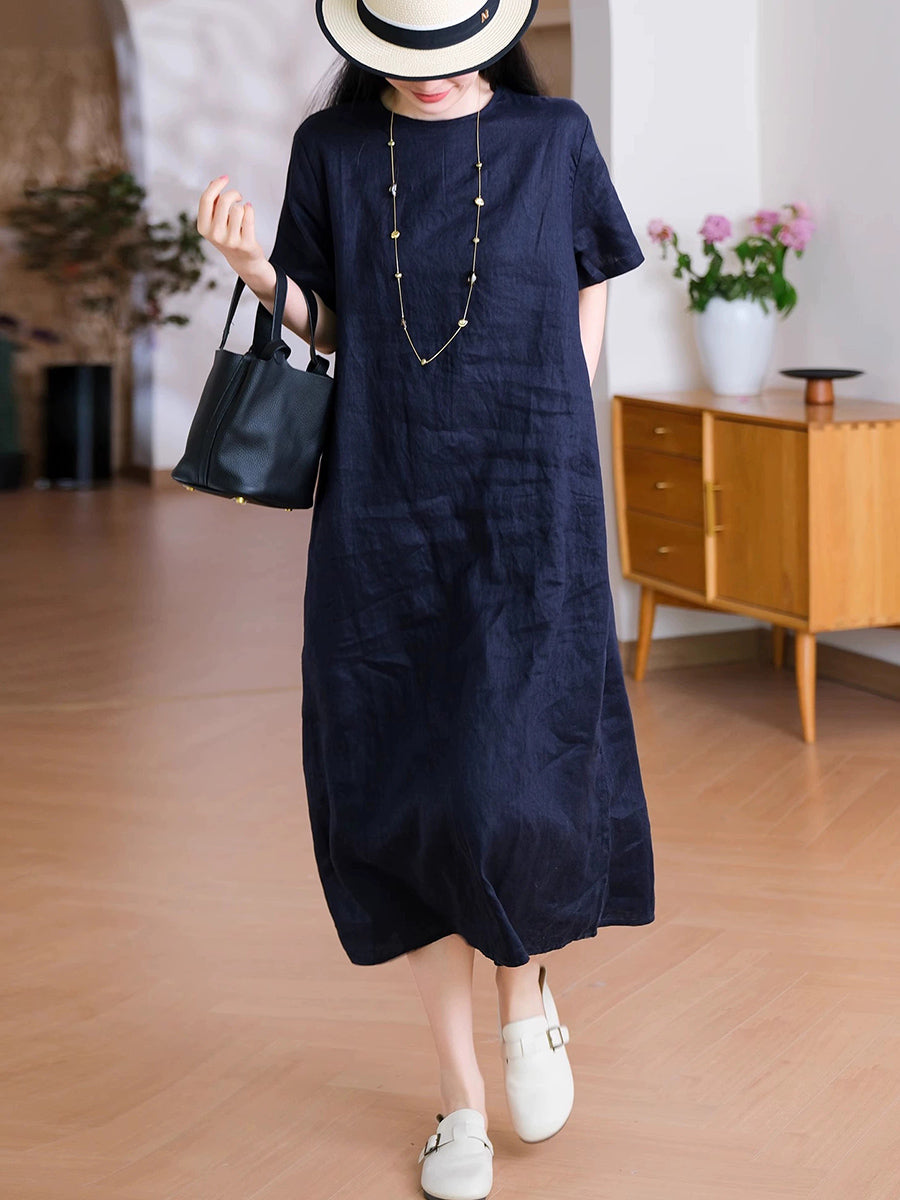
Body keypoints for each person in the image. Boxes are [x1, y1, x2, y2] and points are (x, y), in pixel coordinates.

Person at [196, 2, 655, 1197]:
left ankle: (527, 997)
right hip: (386, 505)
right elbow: (334, 322)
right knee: (410, 790)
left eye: (451, 52)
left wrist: (563, 410)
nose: (435, 77)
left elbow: (595, 275)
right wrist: (255, 272)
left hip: (530, 498)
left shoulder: (555, 137)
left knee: (514, 772)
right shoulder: (335, 150)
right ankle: (459, 1101)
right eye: (409, 58)